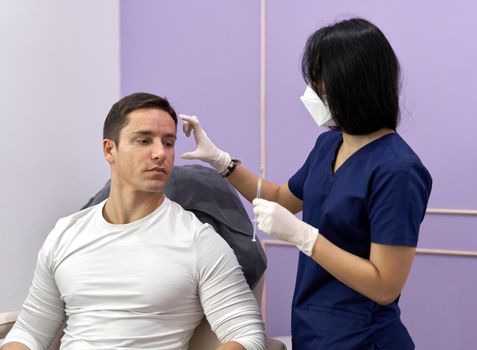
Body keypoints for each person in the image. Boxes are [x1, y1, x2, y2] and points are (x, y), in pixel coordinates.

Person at [179, 18, 432, 350]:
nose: (312, 91)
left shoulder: (397, 170)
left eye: (318, 81)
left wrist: (305, 237)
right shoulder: (329, 145)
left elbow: (385, 285)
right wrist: (222, 161)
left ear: (350, 82)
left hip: (363, 339)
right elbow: (281, 198)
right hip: (313, 331)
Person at [1, 93, 266, 350]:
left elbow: (247, 335)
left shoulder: (198, 241)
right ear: (109, 149)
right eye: (144, 141)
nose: (160, 153)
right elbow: (30, 332)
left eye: (169, 142)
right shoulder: (66, 233)